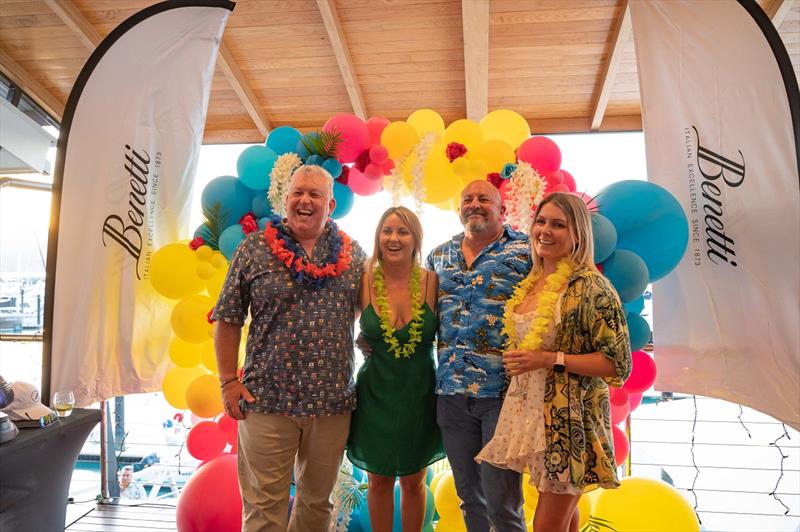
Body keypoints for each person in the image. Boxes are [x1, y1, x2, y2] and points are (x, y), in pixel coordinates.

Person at [213, 165, 366, 532]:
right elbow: (227, 317)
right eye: (298, 192)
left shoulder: (354, 255)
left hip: (330, 404)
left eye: (315, 194)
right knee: (264, 507)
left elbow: (373, 314)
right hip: (266, 401)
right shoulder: (254, 248)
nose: (305, 200)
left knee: (317, 505)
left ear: (330, 204)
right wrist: (226, 382)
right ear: (286, 199)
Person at [476, 192, 632, 532]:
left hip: (570, 423)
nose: (545, 231)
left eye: (558, 224)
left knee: (545, 526)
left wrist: (549, 358)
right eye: (541, 222)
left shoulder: (591, 287)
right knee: (563, 523)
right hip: (534, 418)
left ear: (577, 235)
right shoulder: (531, 283)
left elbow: (618, 364)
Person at [425, 179, 532, 531]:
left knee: (503, 504)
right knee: (469, 499)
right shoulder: (438, 255)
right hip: (451, 395)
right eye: (467, 199)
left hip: (501, 395)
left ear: (501, 208)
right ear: (458, 210)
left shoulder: (526, 251)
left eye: (483, 198)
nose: (474, 204)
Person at [347, 207, 445, 532]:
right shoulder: (363, 282)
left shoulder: (433, 282)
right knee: (378, 481)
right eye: (386, 231)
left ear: (416, 238)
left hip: (420, 394)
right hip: (375, 394)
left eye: (403, 232)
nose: (393, 238)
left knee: (415, 481)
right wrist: (361, 339)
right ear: (377, 237)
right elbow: (336, 326)